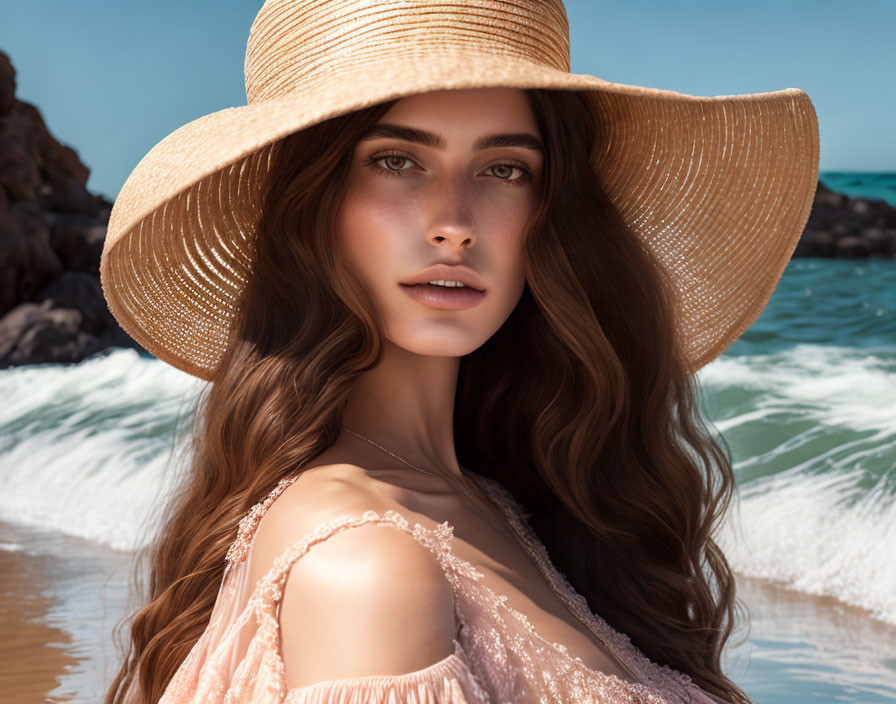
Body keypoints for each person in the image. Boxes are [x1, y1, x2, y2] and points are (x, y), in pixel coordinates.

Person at [99, 1, 819, 703]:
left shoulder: (495, 501)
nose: (453, 223)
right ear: (309, 205)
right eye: (396, 159)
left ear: (549, 213)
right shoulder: (366, 567)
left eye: (504, 169)